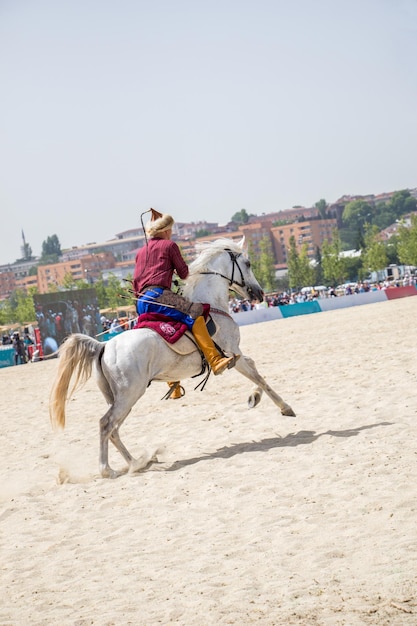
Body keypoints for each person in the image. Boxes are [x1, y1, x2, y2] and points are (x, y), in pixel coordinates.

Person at [133, 209, 238, 397]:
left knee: (168, 327)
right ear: (165, 230)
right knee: (196, 311)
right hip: (160, 296)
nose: (171, 233)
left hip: (140, 301)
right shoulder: (169, 245)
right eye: (170, 229)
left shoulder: (141, 251)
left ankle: (173, 381)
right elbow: (184, 273)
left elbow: (136, 282)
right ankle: (214, 360)